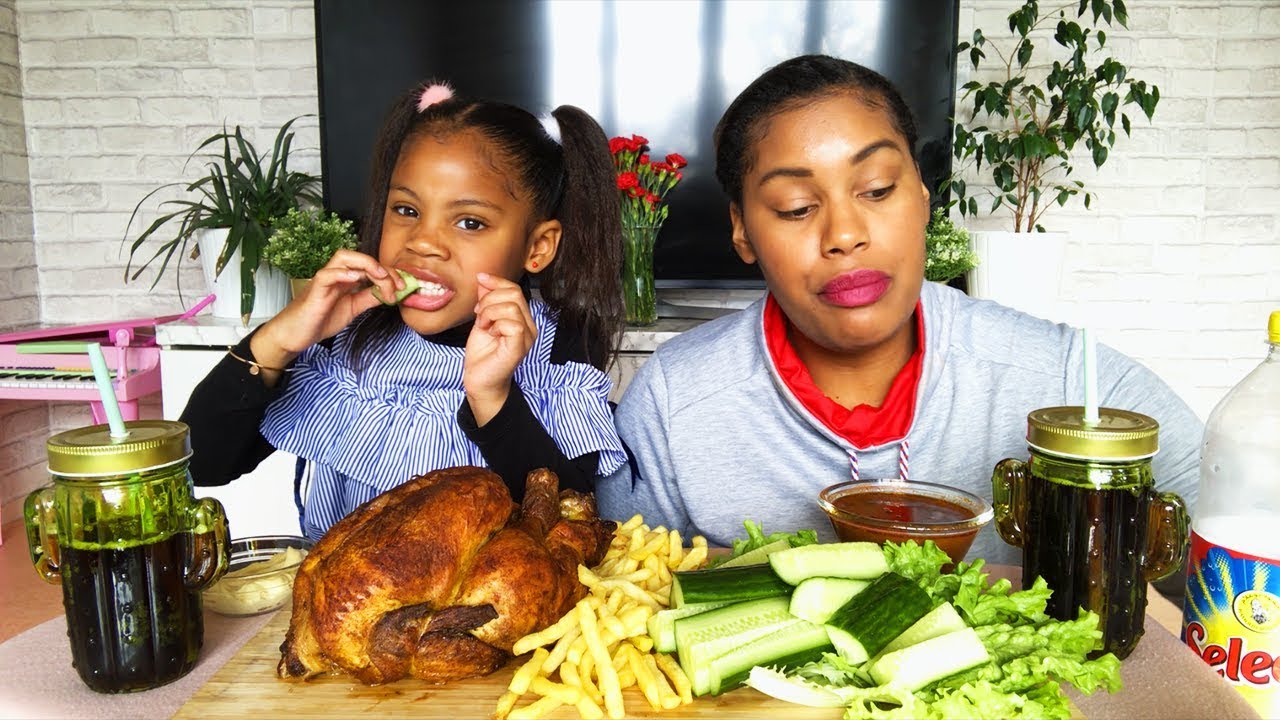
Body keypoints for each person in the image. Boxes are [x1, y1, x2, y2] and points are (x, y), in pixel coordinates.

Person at [594, 55, 1202, 567]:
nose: (845, 234)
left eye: (878, 189)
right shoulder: (674, 404)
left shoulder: (1073, 382)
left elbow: (1242, 561)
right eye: (796, 206)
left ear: (922, 196)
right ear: (743, 230)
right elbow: (634, 609)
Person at [181, 82, 627, 541]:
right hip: (344, 604)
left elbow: (575, 529)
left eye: (469, 222)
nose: (423, 242)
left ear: (537, 247)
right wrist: (279, 340)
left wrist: (492, 397)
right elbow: (202, 466)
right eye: (406, 209)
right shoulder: (348, 338)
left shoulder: (560, 350)